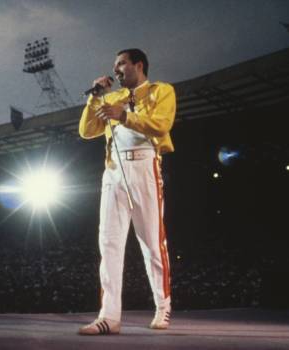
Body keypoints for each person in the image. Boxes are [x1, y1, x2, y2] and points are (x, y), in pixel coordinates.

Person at [78, 48, 176, 335]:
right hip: (113, 171)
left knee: (152, 243)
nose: (116, 69)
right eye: (114, 65)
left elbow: (162, 124)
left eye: (121, 63)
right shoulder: (110, 98)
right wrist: (94, 97)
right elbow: (86, 130)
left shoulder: (161, 90)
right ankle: (109, 316)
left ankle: (163, 306)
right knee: (108, 243)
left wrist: (124, 116)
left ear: (139, 65)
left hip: (145, 165)